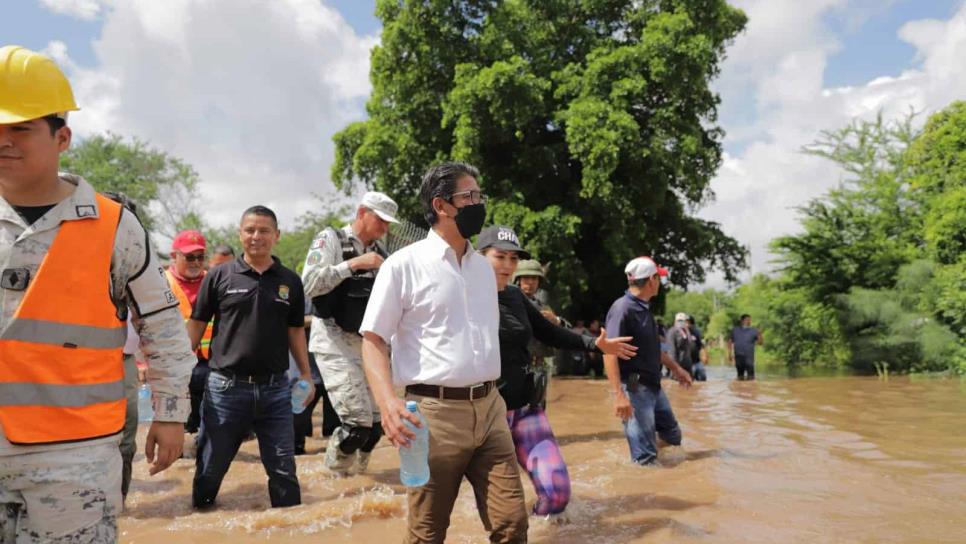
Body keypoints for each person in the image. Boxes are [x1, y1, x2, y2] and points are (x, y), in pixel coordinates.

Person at [0, 45, 193, 540]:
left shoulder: (114, 227)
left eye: (19, 127)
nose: (3, 141)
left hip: (74, 455)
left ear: (61, 136)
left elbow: (165, 328)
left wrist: (170, 416)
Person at [360, 162, 529, 543]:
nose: (478, 203)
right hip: (433, 417)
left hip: (489, 410)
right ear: (441, 205)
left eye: (479, 195)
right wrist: (388, 404)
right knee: (426, 533)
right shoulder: (404, 266)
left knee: (513, 524)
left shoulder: (483, 269)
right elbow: (373, 340)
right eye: (469, 196)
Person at [477, 225, 637, 518]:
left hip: (526, 409)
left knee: (557, 493)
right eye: (500, 257)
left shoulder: (515, 297)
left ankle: (539, 528)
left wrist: (596, 344)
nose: (508, 266)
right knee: (502, 509)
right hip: (483, 415)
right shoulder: (460, 296)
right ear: (478, 257)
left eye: (513, 259)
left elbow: (550, 333)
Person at [188, 205, 315, 509]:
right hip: (225, 390)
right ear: (240, 233)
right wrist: (176, 372)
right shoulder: (219, 276)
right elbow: (197, 325)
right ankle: (199, 523)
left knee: (284, 473)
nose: (256, 236)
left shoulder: (290, 281)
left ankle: (289, 529)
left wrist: (307, 375)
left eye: (264, 231)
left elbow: (296, 331)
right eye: (250, 230)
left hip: (275, 391)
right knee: (209, 470)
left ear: (277, 235)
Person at [302, 192, 397, 474]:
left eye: (388, 223)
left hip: (369, 347)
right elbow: (309, 284)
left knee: (377, 428)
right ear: (362, 213)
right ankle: (334, 479)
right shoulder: (330, 239)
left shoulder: (383, 254)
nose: (385, 229)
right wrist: (353, 265)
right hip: (333, 343)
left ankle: (361, 483)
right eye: (380, 220)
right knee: (357, 426)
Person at [603, 257, 693, 466]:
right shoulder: (622, 309)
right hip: (635, 386)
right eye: (658, 278)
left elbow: (654, 349)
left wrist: (677, 369)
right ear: (652, 280)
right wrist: (619, 395)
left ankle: (642, 445)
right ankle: (642, 459)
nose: (660, 282)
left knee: (672, 436)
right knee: (646, 460)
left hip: (653, 385)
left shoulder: (644, 309)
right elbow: (609, 353)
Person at [166, 229, 213, 435]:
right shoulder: (161, 283)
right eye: (189, 257)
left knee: (212, 427)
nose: (195, 262)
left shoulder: (214, 281)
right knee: (179, 428)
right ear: (174, 256)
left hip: (213, 366)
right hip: (175, 366)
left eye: (200, 257)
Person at [290, 297, 341, 455]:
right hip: (305, 372)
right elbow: (292, 322)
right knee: (297, 426)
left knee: (335, 431)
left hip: (334, 372)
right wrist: (321, 320)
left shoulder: (340, 294)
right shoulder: (304, 294)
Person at [728, 314, 764, 380]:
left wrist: (760, 334)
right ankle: (740, 389)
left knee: (751, 377)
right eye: (747, 320)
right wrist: (729, 353)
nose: (749, 321)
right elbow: (730, 342)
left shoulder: (754, 331)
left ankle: (751, 389)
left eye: (750, 320)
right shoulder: (735, 330)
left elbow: (760, 343)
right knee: (740, 376)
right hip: (738, 356)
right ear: (742, 321)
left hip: (749, 357)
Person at [667, 312, 695, 378]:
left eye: (682, 320)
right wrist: (675, 368)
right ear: (675, 321)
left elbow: (691, 347)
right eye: (679, 320)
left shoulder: (687, 331)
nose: (680, 322)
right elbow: (672, 351)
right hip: (677, 365)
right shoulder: (672, 332)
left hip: (687, 364)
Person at [687, 316, 708, 381]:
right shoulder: (679, 333)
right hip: (687, 363)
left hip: (697, 361)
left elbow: (701, 345)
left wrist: (705, 355)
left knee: (703, 378)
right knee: (690, 380)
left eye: (690, 323)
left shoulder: (696, 332)